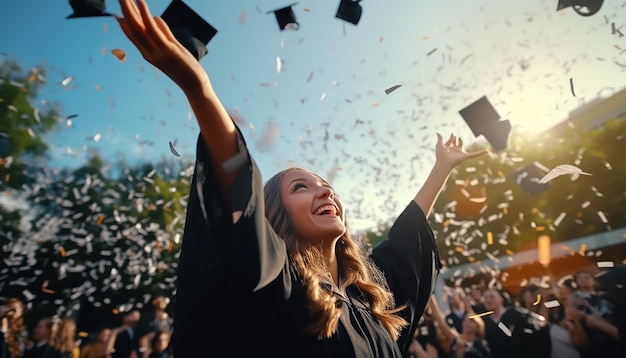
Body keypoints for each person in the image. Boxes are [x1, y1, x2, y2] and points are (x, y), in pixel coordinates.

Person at [115, 0, 487, 356]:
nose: (324, 188)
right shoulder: (280, 291)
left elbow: (407, 245)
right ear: (274, 214)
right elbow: (239, 190)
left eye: (323, 182)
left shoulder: (371, 299)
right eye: (299, 186)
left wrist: (440, 169)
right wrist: (200, 89)